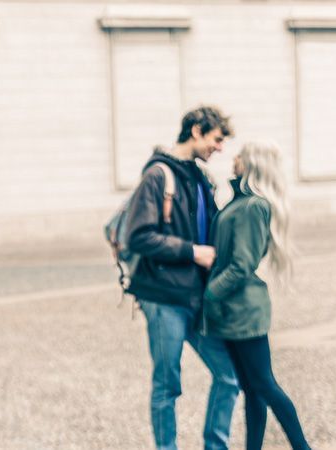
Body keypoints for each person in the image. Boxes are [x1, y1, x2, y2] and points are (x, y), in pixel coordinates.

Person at [124, 106, 240, 450]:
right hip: (163, 298)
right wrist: (193, 252)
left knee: (229, 376)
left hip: (196, 297)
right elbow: (139, 236)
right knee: (167, 385)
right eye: (216, 139)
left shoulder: (201, 178)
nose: (219, 148)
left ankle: (214, 446)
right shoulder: (159, 176)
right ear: (196, 131)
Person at [203, 141, 310, 450]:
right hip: (233, 309)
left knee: (264, 384)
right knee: (252, 389)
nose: (232, 159)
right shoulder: (239, 202)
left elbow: (242, 265)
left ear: (251, 164)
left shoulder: (253, 206)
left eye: (239, 156)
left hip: (244, 310)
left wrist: (210, 292)